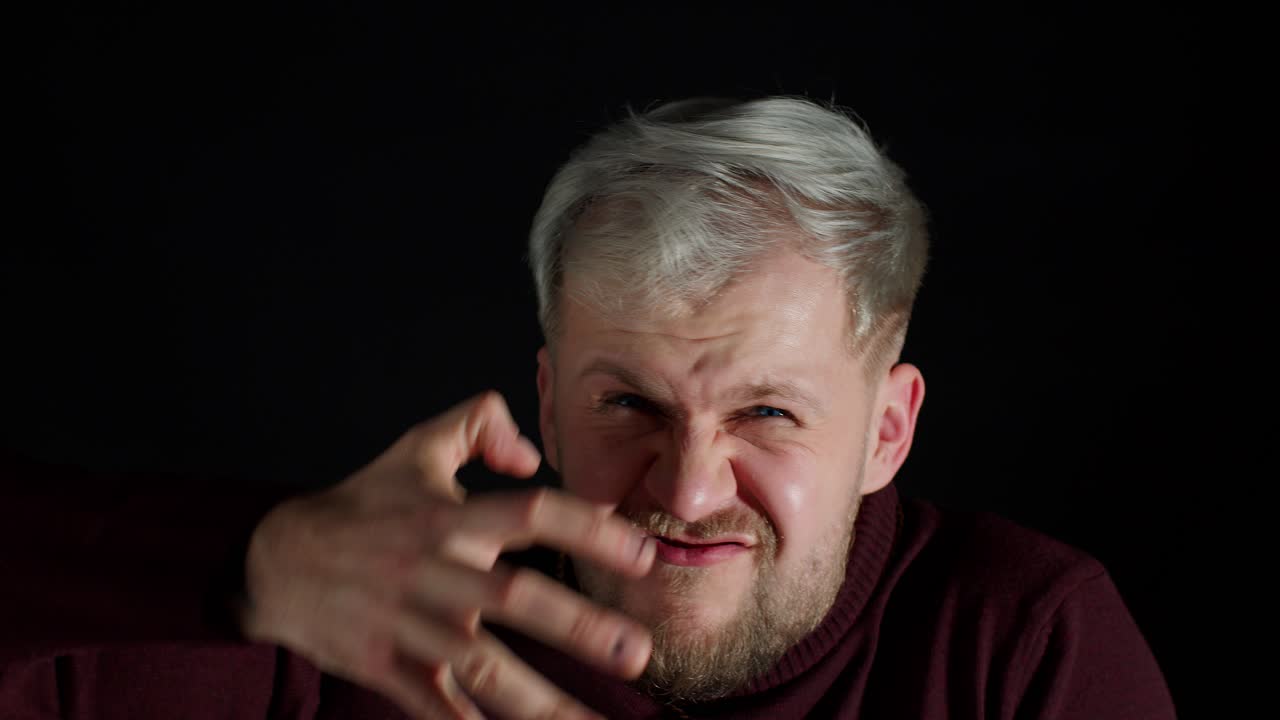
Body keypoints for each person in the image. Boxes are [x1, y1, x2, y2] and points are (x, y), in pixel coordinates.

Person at [0, 97, 1175, 719]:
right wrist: (252, 564)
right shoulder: (368, 620)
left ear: (885, 430)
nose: (686, 488)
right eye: (629, 404)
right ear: (549, 407)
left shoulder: (1025, 645)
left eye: (766, 413)